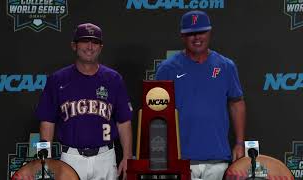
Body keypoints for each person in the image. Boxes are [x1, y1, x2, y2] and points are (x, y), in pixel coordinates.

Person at [155, 10, 246, 180]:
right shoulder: (167, 69)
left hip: (217, 158)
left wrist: (240, 143)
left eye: (201, 32)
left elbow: (237, 102)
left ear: (210, 32)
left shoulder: (226, 66)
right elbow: (156, 114)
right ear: (182, 35)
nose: (197, 37)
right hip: (180, 159)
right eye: (191, 33)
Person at [36, 23, 133, 180]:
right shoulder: (58, 79)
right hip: (70, 157)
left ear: (101, 47)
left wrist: (128, 156)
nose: (90, 47)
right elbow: (47, 122)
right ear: (74, 45)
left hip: (105, 157)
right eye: (84, 41)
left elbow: (124, 122)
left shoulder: (114, 79)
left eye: (95, 42)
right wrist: (43, 158)